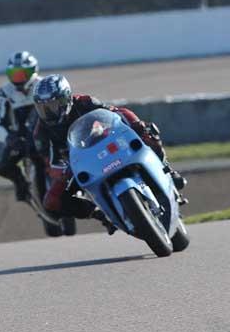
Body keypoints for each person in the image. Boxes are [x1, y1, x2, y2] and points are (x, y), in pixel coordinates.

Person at [32, 74, 186, 225]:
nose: (48, 113)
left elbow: (117, 113)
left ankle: (168, 170)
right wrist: (62, 172)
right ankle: (99, 213)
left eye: (51, 106)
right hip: (78, 165)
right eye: (42, 108)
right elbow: (49, 163)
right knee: (51, 202)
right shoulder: (41, 133)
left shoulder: (85, 102)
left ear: (65, 99)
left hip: (106, 144)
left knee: (148, 134)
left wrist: (137, 125)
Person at [0, 51, 42, 201]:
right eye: (14, 74)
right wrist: (9, 138)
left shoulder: (44, 85)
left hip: (46, 134)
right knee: (2, 167)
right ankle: (22, 185)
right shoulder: (4, 92)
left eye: (22, 74)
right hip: (20, 139)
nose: (18, 79)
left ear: (33, 71)